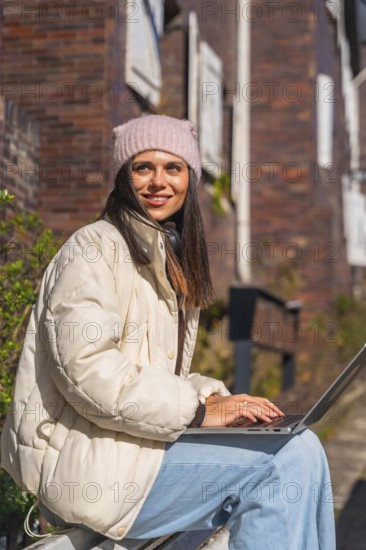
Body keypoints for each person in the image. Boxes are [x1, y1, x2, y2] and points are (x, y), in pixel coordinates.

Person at [1, 115, 336, 549]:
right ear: (124, 177)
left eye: (173, 168)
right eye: (143, 168)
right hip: (91, 468)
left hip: (132, 450)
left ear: (189, 179)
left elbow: (144, 375)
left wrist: (215, 399)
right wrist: (197, 413)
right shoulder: (93, 249)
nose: (158, 181)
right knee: (278, 466)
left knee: (303, 447)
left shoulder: (163, 259)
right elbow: (88, 372)